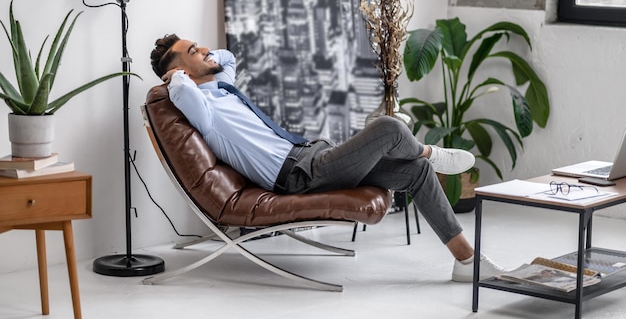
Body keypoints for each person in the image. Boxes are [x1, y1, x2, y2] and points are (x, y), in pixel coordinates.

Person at [150, 34, 505, 282]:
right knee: (388, 128)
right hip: (299, 176)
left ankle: (467, 261)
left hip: (312, 155)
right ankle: (432, 151)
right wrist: (175, 74)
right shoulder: (202, 107)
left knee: (416, 171)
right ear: (180, 70)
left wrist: (199, 56)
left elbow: (228, 57)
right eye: (194, 51)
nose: (205, 51)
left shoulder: (220, 85)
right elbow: (180, 90)